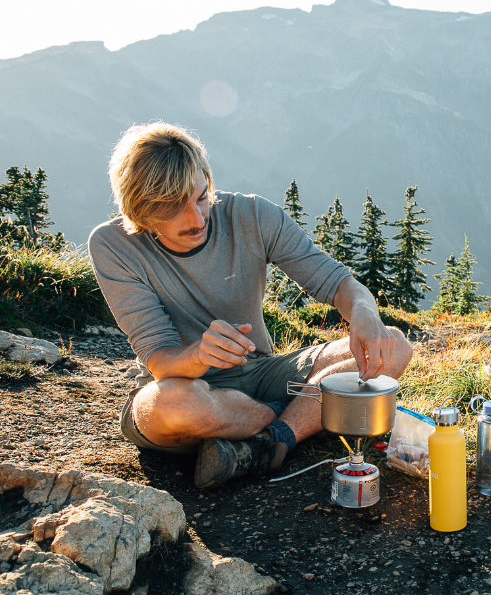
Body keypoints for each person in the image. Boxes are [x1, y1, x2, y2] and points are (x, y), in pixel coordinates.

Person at [88, 121, 413, 488]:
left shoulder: (252, 215)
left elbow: (337, 282)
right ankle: (294, 420)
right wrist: (198, 355)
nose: (197, 218)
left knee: (395, 345)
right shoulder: (113, 245)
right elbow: (159, 358)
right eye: (173, 208)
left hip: (262, 372)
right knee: (173, 406)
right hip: (185, 386)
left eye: (200, 197)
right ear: (140, 209)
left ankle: (270, 441)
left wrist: (365, 316)